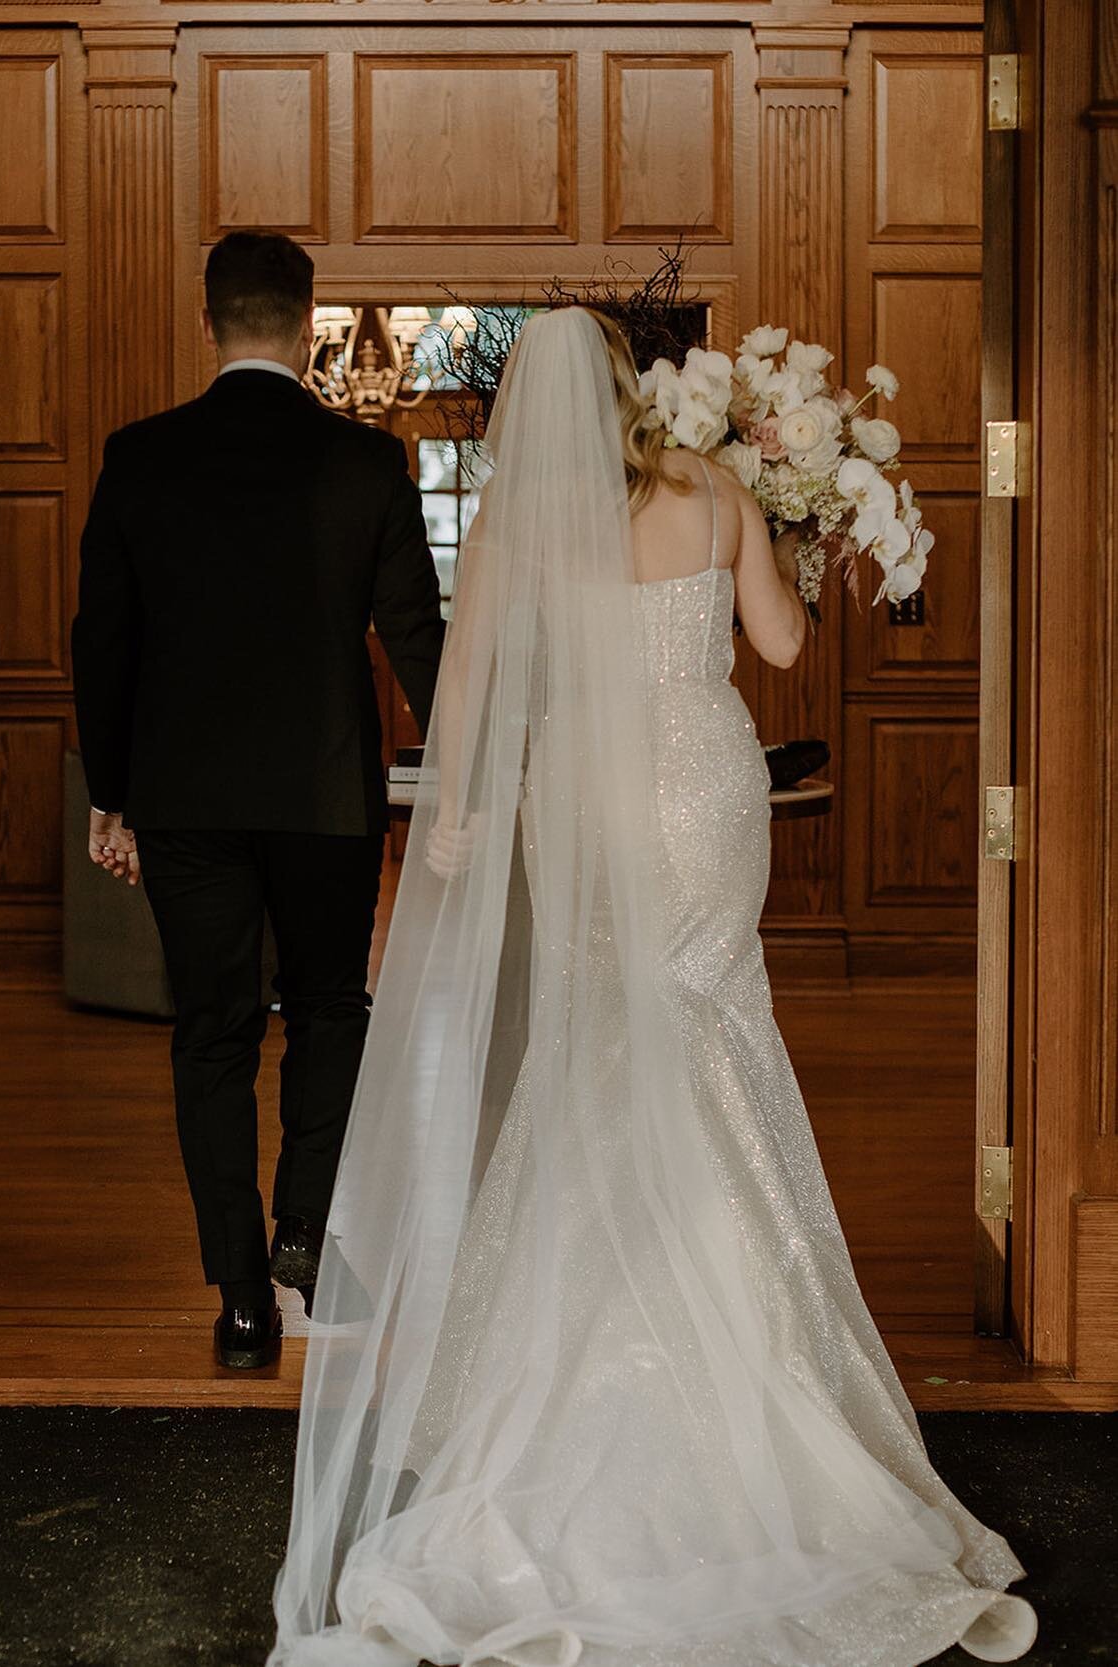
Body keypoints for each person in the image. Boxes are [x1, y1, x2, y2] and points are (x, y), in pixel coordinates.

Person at [269, 308, 1037, 1665]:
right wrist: (790, 541)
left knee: (594, 1043)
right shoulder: (716, 485)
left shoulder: (515, 518)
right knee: (707, 1021)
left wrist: (446, 816)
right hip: (700, 778)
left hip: (583, 790)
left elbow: (475, 677)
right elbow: (786, 651)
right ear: (639, 390)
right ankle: (742, 1349)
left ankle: (593, 1349)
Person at [71, 231, 444, 1371]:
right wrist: (469, 772)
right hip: (327, 791)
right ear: (309, 322)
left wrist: (113, 797)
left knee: (213, 1032)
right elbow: (415, 639)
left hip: (185, 793)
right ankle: (302, 1235)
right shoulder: (367, 465)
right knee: (331, 1007)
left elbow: (103, 643)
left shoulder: (139, 458)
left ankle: (240, 1298)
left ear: (208, 322)